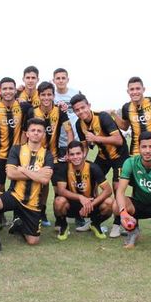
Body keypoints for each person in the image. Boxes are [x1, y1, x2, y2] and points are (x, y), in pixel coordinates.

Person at [0, 118, 54, 256]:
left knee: (33, 241)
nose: (36, 133)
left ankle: (19, 225)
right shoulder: (17, 149)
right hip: (14, 195)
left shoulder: (48, 154)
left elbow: (45, 179)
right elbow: (11, 174)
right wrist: (36, 173)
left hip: (33, 203)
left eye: (39, 131)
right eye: (33, 130)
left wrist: (24, 170)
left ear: (44, 134)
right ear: (27, 133)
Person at [70, 93, 130, 238]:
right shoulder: (79, 124)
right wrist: (79, 161)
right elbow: (84, 147)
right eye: (77, 110)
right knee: (90, 183)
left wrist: (95, 138)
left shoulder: (102, 116)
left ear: (89, 105)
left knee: (117, 189)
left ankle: (118, 224)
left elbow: (118, 140)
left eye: (83, 107)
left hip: (119, 156)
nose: (81, 112)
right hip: (103, 157)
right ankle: (93, 220)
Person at [27, 81, 74, 226]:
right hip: (36, 155)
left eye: (49, 94)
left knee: (58, 187)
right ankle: (41, 212)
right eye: (43, 95)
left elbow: (69, 131)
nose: (46, 97)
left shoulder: (60, 111)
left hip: (54, 155)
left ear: (54, 95)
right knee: (41, 186)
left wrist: (69, 150)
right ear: (39, 96)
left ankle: (60, 219)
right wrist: (24, 151)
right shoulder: (32, 111)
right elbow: (26, 133)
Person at [53, 140, 113, 240]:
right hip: (72, 206)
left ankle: (95, 224)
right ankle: (63, 225)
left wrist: (91, 204)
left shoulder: (93, 167)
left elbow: (108, 190)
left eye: (78, 153)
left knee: (110, 202)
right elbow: (61, 191)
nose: (75, 157)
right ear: (67, 155)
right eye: (72, 154)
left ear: (84, 153)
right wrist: (80, 197)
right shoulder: (63, 168)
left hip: (91, 205)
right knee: (59, 201)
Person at [52, 67, 87, 230]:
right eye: (57, 78)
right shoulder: (50, 94)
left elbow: (83, 110)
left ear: (67, 79)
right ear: (53, 80)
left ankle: (80, 216)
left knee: (78, 180)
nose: (60, 80)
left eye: (63, 78)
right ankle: (60, 217)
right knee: (58, 182)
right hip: (58, 143)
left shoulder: (74, 92)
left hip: (75, 142)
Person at [0, 77, 31, 195]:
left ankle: (18, 213)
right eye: (5, 89)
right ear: (0, 90)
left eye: (11, 88)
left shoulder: (24, 106)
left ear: (16, 90)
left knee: (19, 185)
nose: (8, 91)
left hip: (18, 154)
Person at [113, 76, 151, 156]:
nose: (135, 92)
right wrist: (113, 114)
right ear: (128, 91)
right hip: (135, 152)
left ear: (143, 89)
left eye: (138, 88)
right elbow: (124, 127)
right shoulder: (126, 107)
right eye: (132, 89)